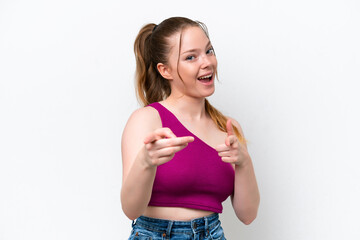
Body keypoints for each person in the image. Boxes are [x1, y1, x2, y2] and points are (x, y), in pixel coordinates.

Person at [121, 16, 260, 240]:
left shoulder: (227, 128)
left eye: (209, 51)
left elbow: (248, 215)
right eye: (191, 57)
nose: (206, 62)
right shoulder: (147, 119)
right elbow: (131, 209)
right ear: (165, 70)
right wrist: (145, 163)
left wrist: (244, 162)